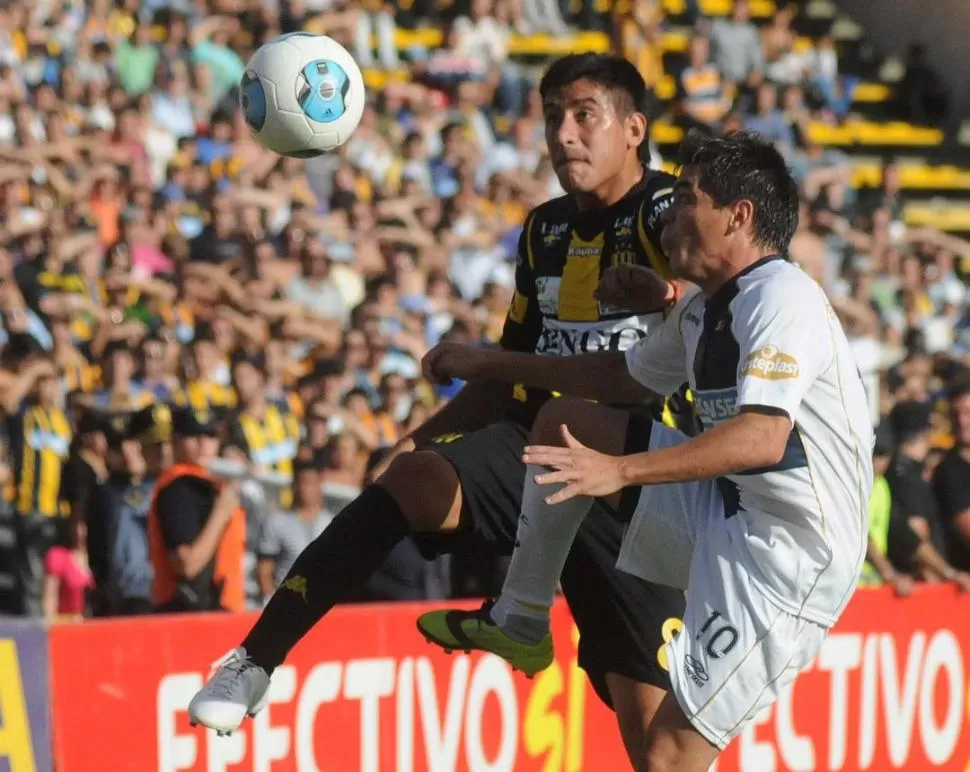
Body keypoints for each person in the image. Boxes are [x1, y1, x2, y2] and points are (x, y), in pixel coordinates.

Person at [189, 52, 689, 761]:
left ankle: (524, 621)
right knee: (413, 480)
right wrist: (417, 439)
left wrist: (669, 293)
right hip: (544, 458)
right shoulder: (544, 232)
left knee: (660, 754)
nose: (565, 135)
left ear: (634, 128)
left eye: (585, 116)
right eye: (553, 118)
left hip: (642, 484)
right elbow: (513, 377)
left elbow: (713, 300)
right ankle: (254, 660)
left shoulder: (666, 212)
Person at [418, 131, 875, 770]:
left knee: (668, 756)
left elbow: (761, 437)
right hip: (728, 509)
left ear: (738, 217)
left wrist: (622, 471)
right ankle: (521, 618)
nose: (669, 213)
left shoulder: (782, 297)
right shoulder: (704, 310)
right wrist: (489, 363)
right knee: (567, 423)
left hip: (790, 559)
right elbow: (619, 379)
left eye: (687, 197)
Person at [147, 406, 246, 613]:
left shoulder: (208, 484)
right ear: (175, 441)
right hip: (190, 614)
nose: (203, 444)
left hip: (216, 611)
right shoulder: (179, 488)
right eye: (193, 436)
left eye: (210, 436)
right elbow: (187, 564)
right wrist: (221, 513)